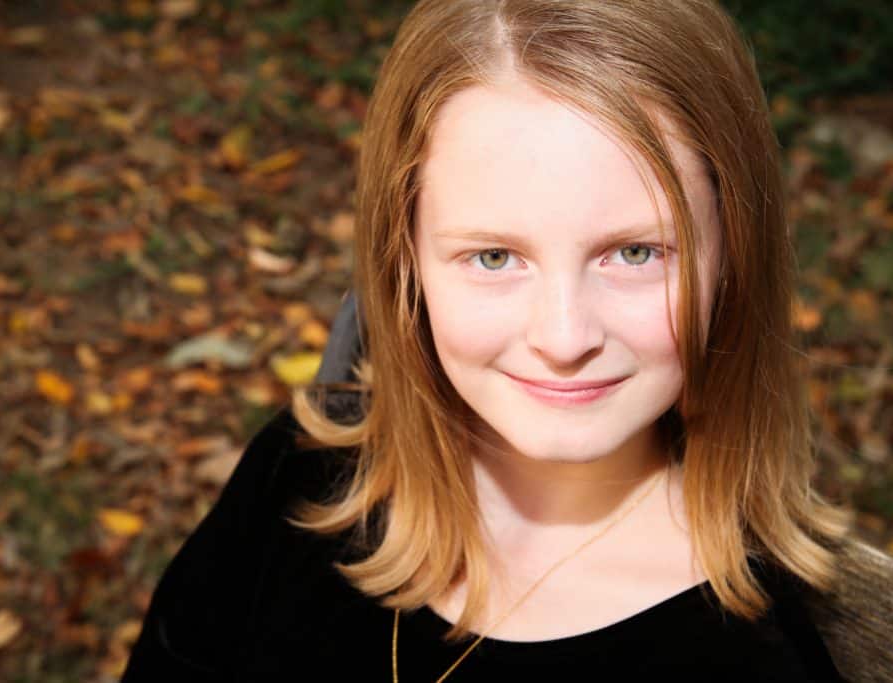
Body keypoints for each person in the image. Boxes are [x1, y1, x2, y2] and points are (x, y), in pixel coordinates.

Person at [123, 0, 855, 679]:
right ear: (405, 261)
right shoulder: (307, 474)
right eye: (494, 257)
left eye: (635, 253)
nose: (564, 337)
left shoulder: (751, 659)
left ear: (735, 256)